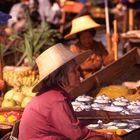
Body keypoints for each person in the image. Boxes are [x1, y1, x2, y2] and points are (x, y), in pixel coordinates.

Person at [18, 43, 121, 140]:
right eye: (73, 71)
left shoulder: (54, 94)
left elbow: (70, 118)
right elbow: (79, 135)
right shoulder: (55, 100)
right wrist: (108, 137)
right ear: (61, 77)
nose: (79, 74)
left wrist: (96, 114)